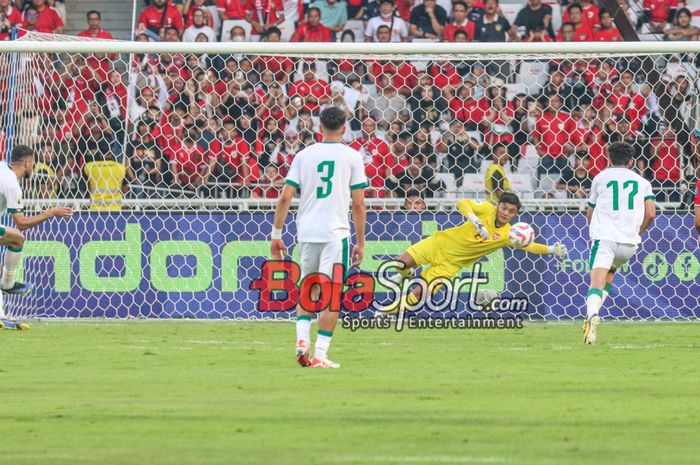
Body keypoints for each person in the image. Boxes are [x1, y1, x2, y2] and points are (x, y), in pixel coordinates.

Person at [271, 106, 368, 369]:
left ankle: (302, 341)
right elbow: (358, 204)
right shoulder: (352, 156)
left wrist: (276, 234)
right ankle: (320, 355)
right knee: (331, 294)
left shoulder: (304, 155)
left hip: (307, 233)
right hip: (335, 234)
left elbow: (284, 197)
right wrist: (360, 242)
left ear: (319, 128)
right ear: (345, 128)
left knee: (308, 288)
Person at [378, 193, 567, 315]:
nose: (505, 213)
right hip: (437, 244)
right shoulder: (486, 209)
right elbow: (462, 203)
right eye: (503, 208)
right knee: (400, 263)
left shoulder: (508, 234)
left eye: (511, 211)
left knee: (419, 295)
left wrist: (551, 249)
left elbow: (529, 246)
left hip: (450, 266)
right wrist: (476, 221)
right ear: (498, 205)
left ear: (515, 215)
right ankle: (405, 275)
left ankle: (384, 313)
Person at [584, 142, 656, 344]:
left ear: (609, 159)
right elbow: (651, 213)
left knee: (595, 283)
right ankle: (593, 313)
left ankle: (591, 316)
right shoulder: (642, 182)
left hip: (605, 238)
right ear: (631, 161)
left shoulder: (600, 178)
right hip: (629, 244)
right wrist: (637, 231)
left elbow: (590, 213)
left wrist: (599, 228)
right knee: (610, 274)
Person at [0, 145, 73, 330]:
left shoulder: (2, 168)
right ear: (28, 162)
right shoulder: (11, 184)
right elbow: (21, 223)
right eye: (33, 164)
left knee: (14, 243)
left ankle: (2, 315)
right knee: (18, 238)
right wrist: (52, 212)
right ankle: (8, 285)